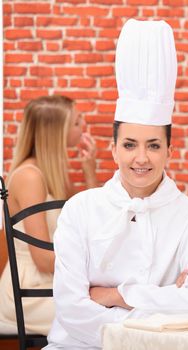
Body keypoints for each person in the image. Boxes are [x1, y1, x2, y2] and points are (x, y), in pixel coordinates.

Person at [45, 19, 188, 349]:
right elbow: (72, 310)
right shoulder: (80, 210)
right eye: (129, 145)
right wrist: (161, 305)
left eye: (153, 145)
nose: (141, 158)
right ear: (113, 149)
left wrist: (115, 295)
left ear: (170, 150)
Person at [0, 95, 97, 335]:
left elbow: (94, 222)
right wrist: (93, 271)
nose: (82, 126)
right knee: (106, 319)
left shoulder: (53, 174)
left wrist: (89, 174)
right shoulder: (30, 177)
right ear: (57, 132)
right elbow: (43, 260)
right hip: (29, 292)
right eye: (76, 122)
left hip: (52, 284)